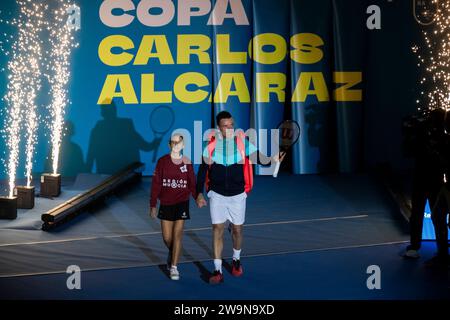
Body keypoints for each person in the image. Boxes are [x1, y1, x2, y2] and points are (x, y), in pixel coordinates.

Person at [196, 111, 285, 284]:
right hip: (217, 194)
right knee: (217, 229)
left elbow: (258, 157)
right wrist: (198, 193)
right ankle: (217, 269)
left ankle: (236, 259)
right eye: (225, 126)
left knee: (237, 230)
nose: (229, 128)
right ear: (218, 128)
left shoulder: (241, 142)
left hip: (238, 195)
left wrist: (273, 159)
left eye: (231, 125)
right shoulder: (211, 147)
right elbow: (202, 172)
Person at [150, 134, 197, 280]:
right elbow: (156, 184)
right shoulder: (162, 162)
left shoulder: (187, 162)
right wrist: (153, 204)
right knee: (167, 237)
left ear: (183, 145)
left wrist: (197, 197)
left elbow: (192, 183)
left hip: (182, 201)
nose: (176, 144)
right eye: (173, 142)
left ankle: (174, 267)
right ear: (169, 144)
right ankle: (173, 251)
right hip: (166, 202)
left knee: (177, 235)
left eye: (179, 142)